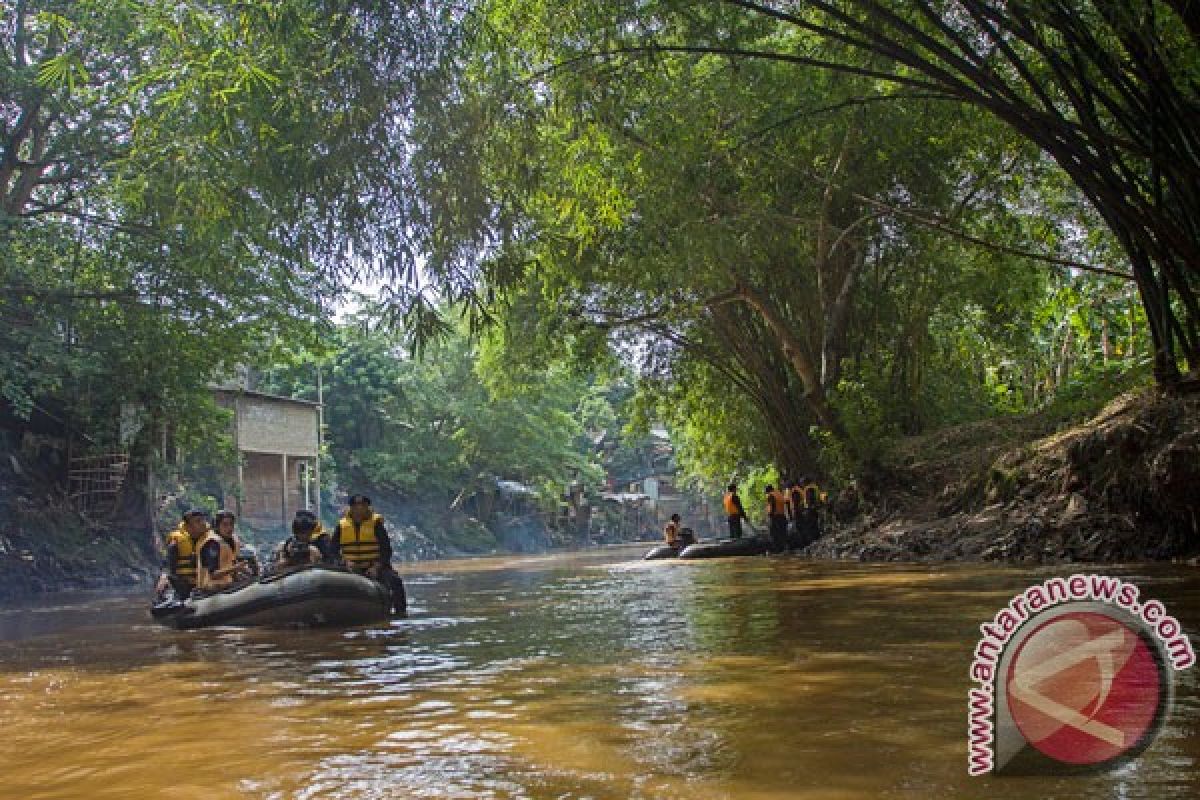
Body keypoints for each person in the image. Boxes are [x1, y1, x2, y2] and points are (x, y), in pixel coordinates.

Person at [331, 494, 406, 614]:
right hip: (350, 567)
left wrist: (376, 567)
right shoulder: (341, 526)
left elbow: (386, 549)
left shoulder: (376, 524)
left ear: (368, 508)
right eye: (356, 507)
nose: (359, 510)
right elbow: (333, 550)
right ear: (351, 508)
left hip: (374, 566)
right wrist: (344, 562)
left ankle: (400, 613)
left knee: (395, 581)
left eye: (363, 506)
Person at [155, 509, 209, 600]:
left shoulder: (211, 539)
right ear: (188, 526)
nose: (202, 523)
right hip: (184, 583)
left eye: (203, 520)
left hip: (206, 582)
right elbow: (168, 563)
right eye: (198, 521)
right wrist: (164, 577)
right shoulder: (177, 542)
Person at [196, 510, 249, 593]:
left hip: (226, 585)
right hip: (210, 589)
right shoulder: (212, 543)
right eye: (225, 525)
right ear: (217, 526)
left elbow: (230, 564)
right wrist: (236, 568)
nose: (229, 528)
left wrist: (241, 572)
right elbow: (213, 574)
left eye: (231, 524)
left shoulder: (232, 541)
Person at [765, 484, 789, 553]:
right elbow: (786, 503)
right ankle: (784, 548)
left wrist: (770, 516)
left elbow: (772, 506)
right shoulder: (779, 494)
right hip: (782, 516)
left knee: (774, 534)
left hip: (775, 517)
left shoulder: (771, 495)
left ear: (768, 490)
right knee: (782, 533)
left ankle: (777, 549)